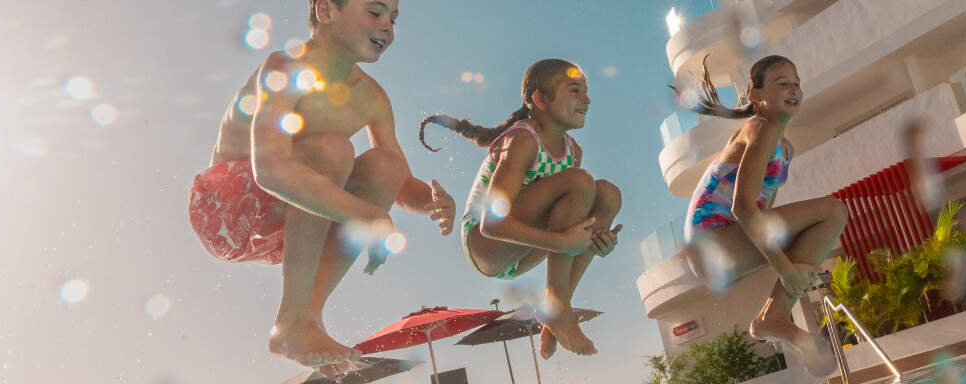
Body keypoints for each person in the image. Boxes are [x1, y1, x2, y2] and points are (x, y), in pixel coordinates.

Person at [187, 0, 456, 371]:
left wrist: (431, 202)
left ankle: (306, 321)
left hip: (292, 220)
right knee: (333, 149)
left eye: (393, 19)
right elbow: (270, 169)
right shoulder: (286, 68)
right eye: (375, 12)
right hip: (227, 212)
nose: (388, 27)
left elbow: (400, 183)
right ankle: (292, 318)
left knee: (385, 163)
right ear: (326, 10)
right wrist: (365, 215)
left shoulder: (372, 98)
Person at [418, 59, 623, 359]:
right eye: (575, 90)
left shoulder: (572, 151)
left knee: (608, 195)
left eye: (586, 91)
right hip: (484, 243)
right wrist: (564, 243)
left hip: (522, 249)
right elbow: (492, 225)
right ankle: (556, 305)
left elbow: (566, 216)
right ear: (540, 99)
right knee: (581, 182)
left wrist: (594, 242)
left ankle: (557, 306)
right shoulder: (523, 140)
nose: (587, 99)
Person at [672, 55, 846, 376]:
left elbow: (764, 216)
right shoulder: (760, 130)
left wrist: (797, 264)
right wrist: (787, 270)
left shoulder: (785, 146)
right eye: (782, 83)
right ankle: (777, 314)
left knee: (821, 225)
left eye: (796, 83)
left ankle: (774, 317)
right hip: (712, 243)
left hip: (725, 247)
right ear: (756, 94)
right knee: (832, 211)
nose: (793, 89)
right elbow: (743, 208)